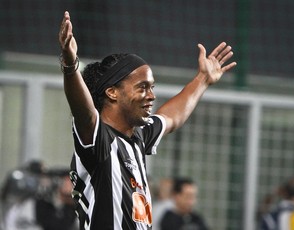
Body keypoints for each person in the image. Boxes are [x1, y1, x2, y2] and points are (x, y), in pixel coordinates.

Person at [58, 11, 236, 230]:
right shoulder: (99, 140)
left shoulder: (138, 136)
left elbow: (172, 117)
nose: (151, 95)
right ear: (112, 92)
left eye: (152, 87)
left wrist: (203, 79)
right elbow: (83, 112)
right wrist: (70, 65)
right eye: (142, 87)